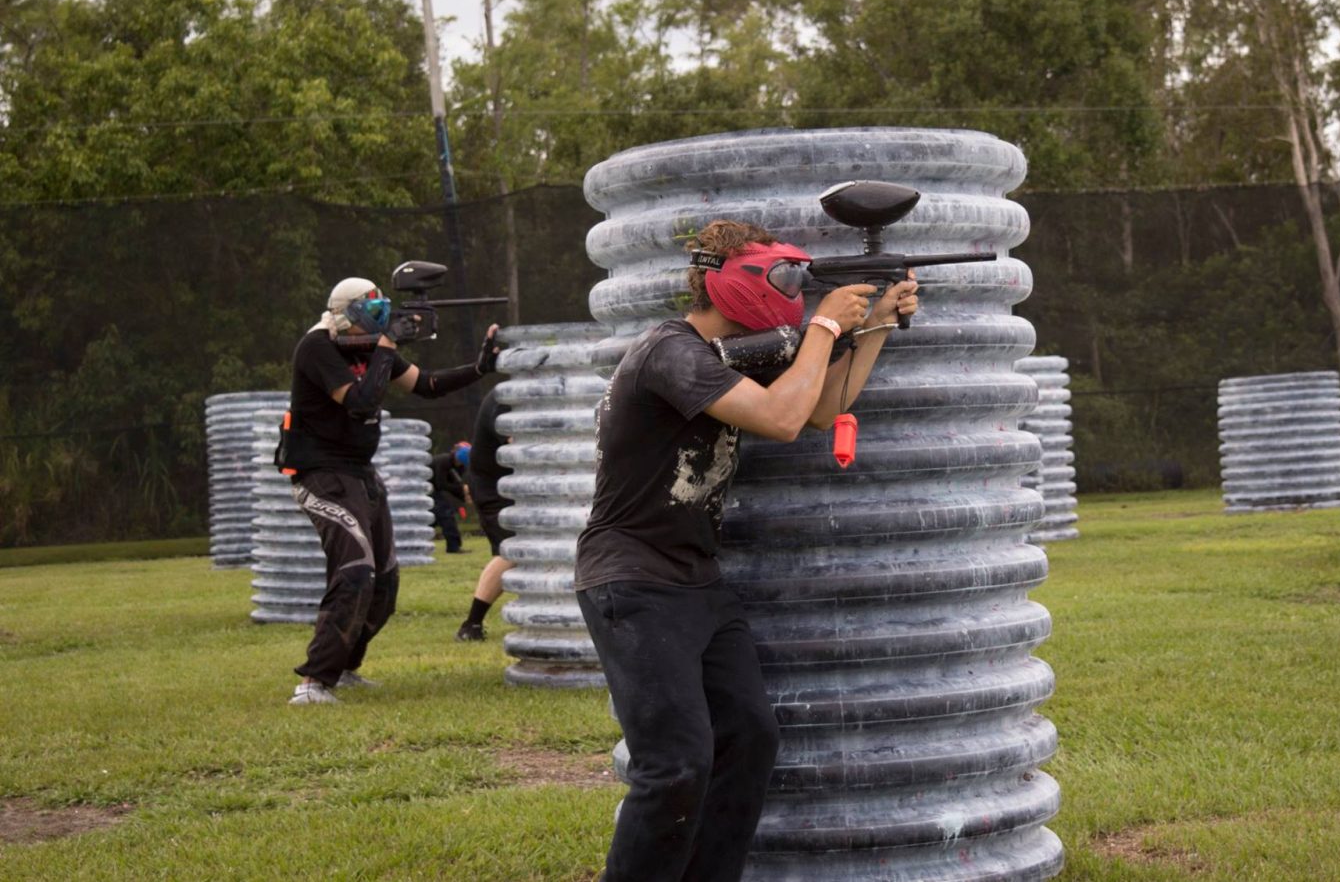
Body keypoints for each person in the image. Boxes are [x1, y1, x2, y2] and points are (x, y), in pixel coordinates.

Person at [574, 219, 917, 881]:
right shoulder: (668, 353)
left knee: (750, 740)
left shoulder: (733, 355)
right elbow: (785, 418)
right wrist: (823, 328)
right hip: (633, 582)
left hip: (697, 582)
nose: (788, 291)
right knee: (674, 764)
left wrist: (870, 326)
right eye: (779, 277)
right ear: (721, 280)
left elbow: (822, 408)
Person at [276, 276, 502, 705]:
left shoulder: (367, 348)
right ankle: (312, 683)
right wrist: (386, 347)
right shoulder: (318, 347)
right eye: (373, 314)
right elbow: (360, 402)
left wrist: (478, 368)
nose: (380, 323)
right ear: (347, 315)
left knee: (386, 580)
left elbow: (427, 385)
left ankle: (342, 670)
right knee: (355, 570)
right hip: (320, 474)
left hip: (359, 472)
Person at [456, 391, 515, 641]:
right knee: (512, 552)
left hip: (514, 485)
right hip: (493, 488)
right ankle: (471, 625)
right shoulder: (505, 398)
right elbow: (521, 446)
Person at [430, 441, 471, 553]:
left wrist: (464, 496)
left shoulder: (461, 467)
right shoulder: (443, 460)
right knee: (446, 514)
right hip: (426, 489)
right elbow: (441, 484)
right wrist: (462, 491)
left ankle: (417, 538)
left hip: (435, 492)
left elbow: (455, 484)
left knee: (435, 518)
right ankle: (453, 547)